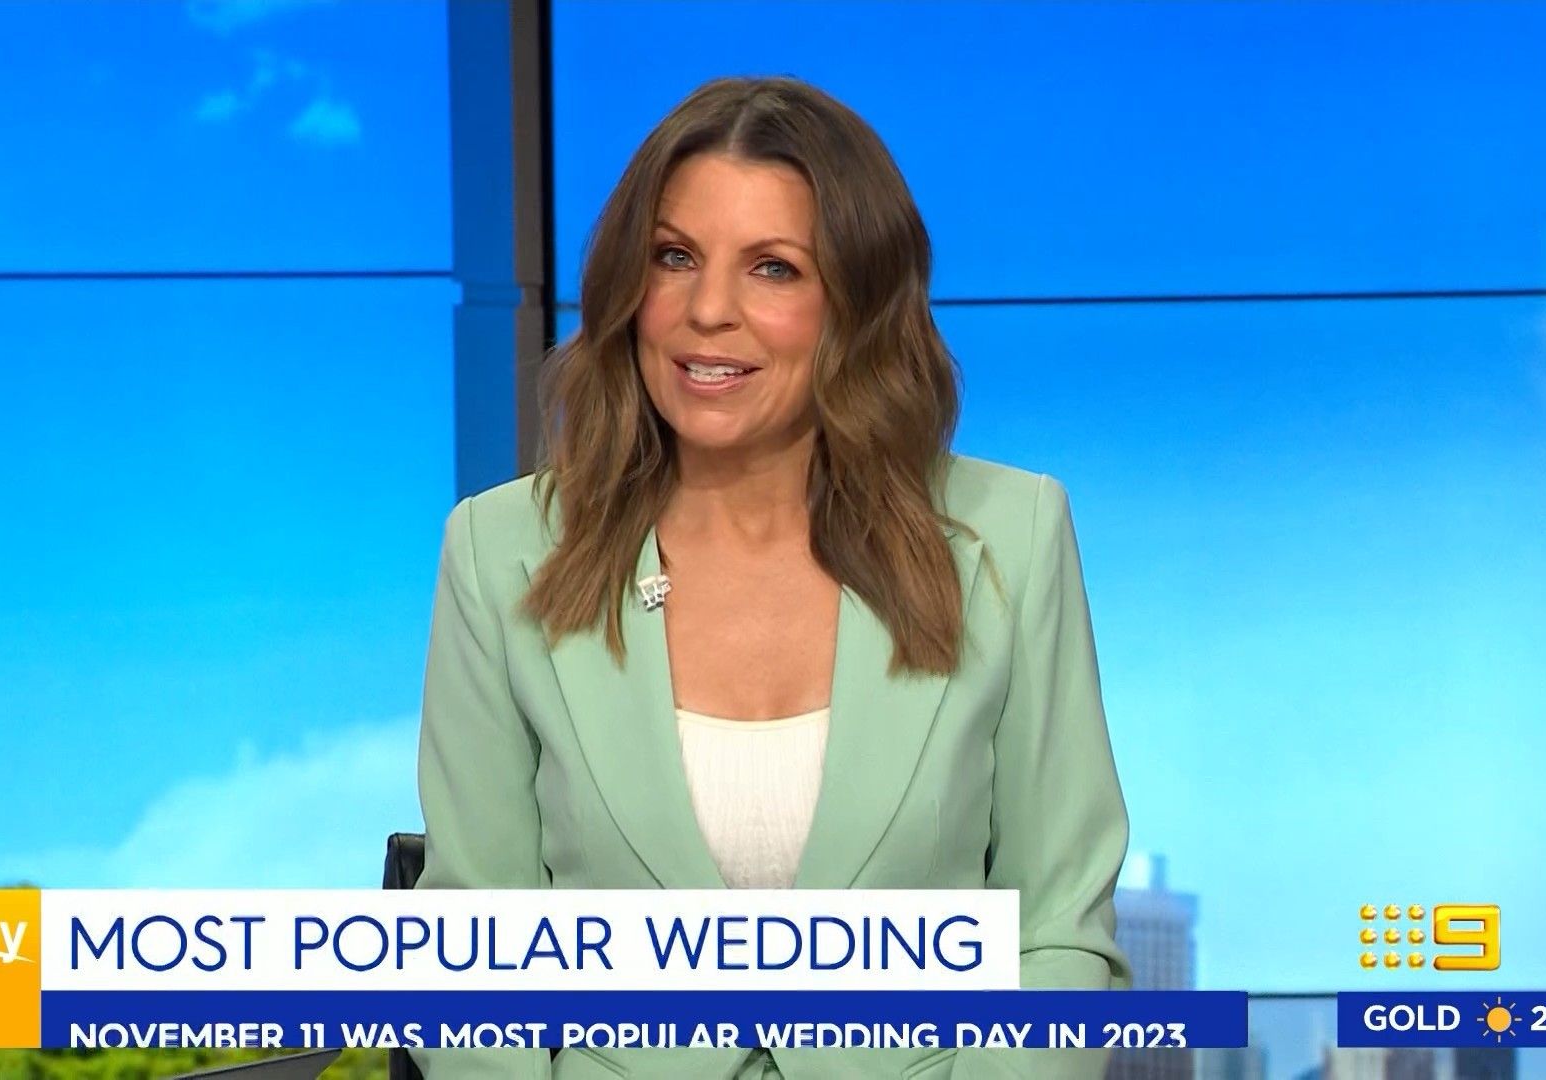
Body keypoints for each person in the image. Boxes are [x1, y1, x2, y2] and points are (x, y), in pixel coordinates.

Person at [412, 75, 1130, 1079]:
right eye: (674, 258)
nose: (708, 311)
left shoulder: (1011, 534)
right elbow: (475, 953)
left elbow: (1059, 933)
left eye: (774, 269)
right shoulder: (499, 550)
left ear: (857, 304)